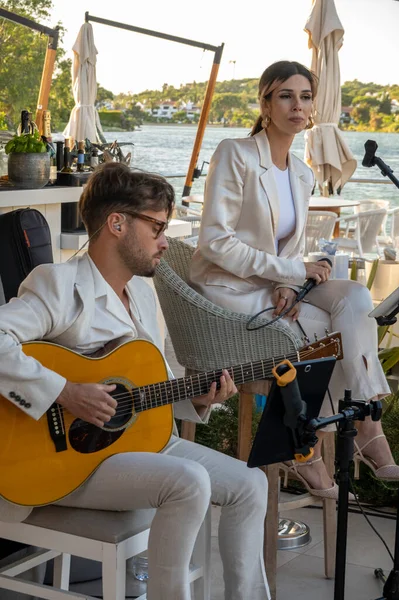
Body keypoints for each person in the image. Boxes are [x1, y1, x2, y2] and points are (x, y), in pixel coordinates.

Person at [0, 162, 270, 600]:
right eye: (158, 227)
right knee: (188, 481)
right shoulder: (59, 284)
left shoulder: (144, 292)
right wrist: (65, 391)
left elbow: (152, 383)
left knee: (250, 484)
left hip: (135, 445)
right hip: (63, 459)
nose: (165, 241)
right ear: (117, 223)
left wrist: (198, 396)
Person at [190, 60, 399, 499]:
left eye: (305, 97)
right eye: (286, 95)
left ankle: (360, 419)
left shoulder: (302, 173)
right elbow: (215, 242)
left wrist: (288, 280)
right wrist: (291, 272)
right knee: (331, 333)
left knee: (356, 298)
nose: (297, 106)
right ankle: (310, 445)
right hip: (228, 291)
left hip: (272, 286)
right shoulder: (237, 153)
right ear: (265, 103)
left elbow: (283, 248)